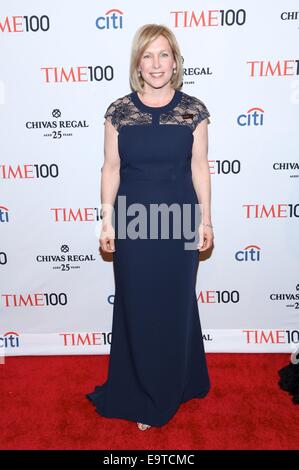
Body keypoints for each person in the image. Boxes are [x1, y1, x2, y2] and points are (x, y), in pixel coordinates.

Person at [86, 23, 214, 431]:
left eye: (164, 55)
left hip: (179, 220)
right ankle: (143, 391)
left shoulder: (192, 110)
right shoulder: (118, 111)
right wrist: (106, 219)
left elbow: (199, 167)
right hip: (133, 221)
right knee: (137, 304)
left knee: (175, 303)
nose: (156, 64)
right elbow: (111, 168)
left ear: (175, 62)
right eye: (148, 55)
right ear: (137, 64)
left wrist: (207, 219)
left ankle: (182, 380)